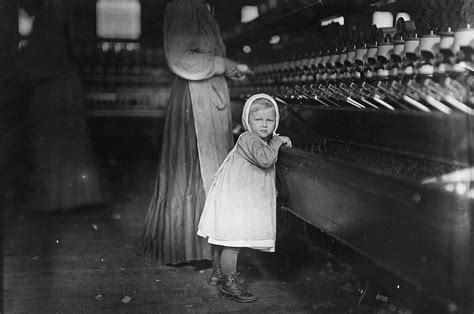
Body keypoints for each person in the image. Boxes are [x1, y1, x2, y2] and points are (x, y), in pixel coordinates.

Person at [137, 0, 251, 265]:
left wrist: (230, 67)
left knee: (209, 170)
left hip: (205, 94)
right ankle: (190, 248)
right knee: (197, 169)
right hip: (194, 99)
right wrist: (225, 64)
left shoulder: (199, 6)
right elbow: (179, 58)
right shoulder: (185, 6)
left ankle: (203, 248)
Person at [197, 93, 292, 303]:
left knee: (226, 239)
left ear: (276, 120)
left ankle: (217, 274)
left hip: (236, 197)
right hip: (235, 200)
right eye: (258, 120)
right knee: (233, 242)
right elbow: (265, 160)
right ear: (247, 121)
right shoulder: (248, 138)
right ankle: (229, 285)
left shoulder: (258, 139)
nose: (265, 125)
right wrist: (277, 141)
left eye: (270, 120)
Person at [18, 0, 103, 211]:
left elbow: (44, 61)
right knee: (65, 144)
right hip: (62, 85)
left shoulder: (47, 18)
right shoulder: (53, 14)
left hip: (55, 88)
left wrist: (23, 71)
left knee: (56, 143)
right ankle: (70, 198)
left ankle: (61, 200)